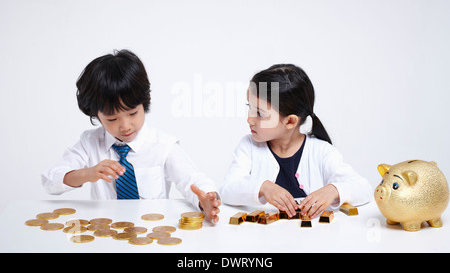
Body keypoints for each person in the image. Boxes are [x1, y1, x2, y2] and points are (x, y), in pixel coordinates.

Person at [42, 50, 220, 223]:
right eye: (112, 118)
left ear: (144, 104)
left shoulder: (163, 145)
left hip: (151, 235)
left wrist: (207, 198)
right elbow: (51, 180)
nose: (125, 126)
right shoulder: (90, 143)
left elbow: (192, 179)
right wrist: (87, 173)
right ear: (96, 115)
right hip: (106, 236)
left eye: (133, 113)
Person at [220, 64, 371, 218]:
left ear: (290, 121)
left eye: (259, 113)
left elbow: (364, 189)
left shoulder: (321, 152)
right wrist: (263, 188)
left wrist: (333, 190)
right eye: (249, 107)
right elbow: (227, 190)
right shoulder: (248, 147)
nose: (249, 119)